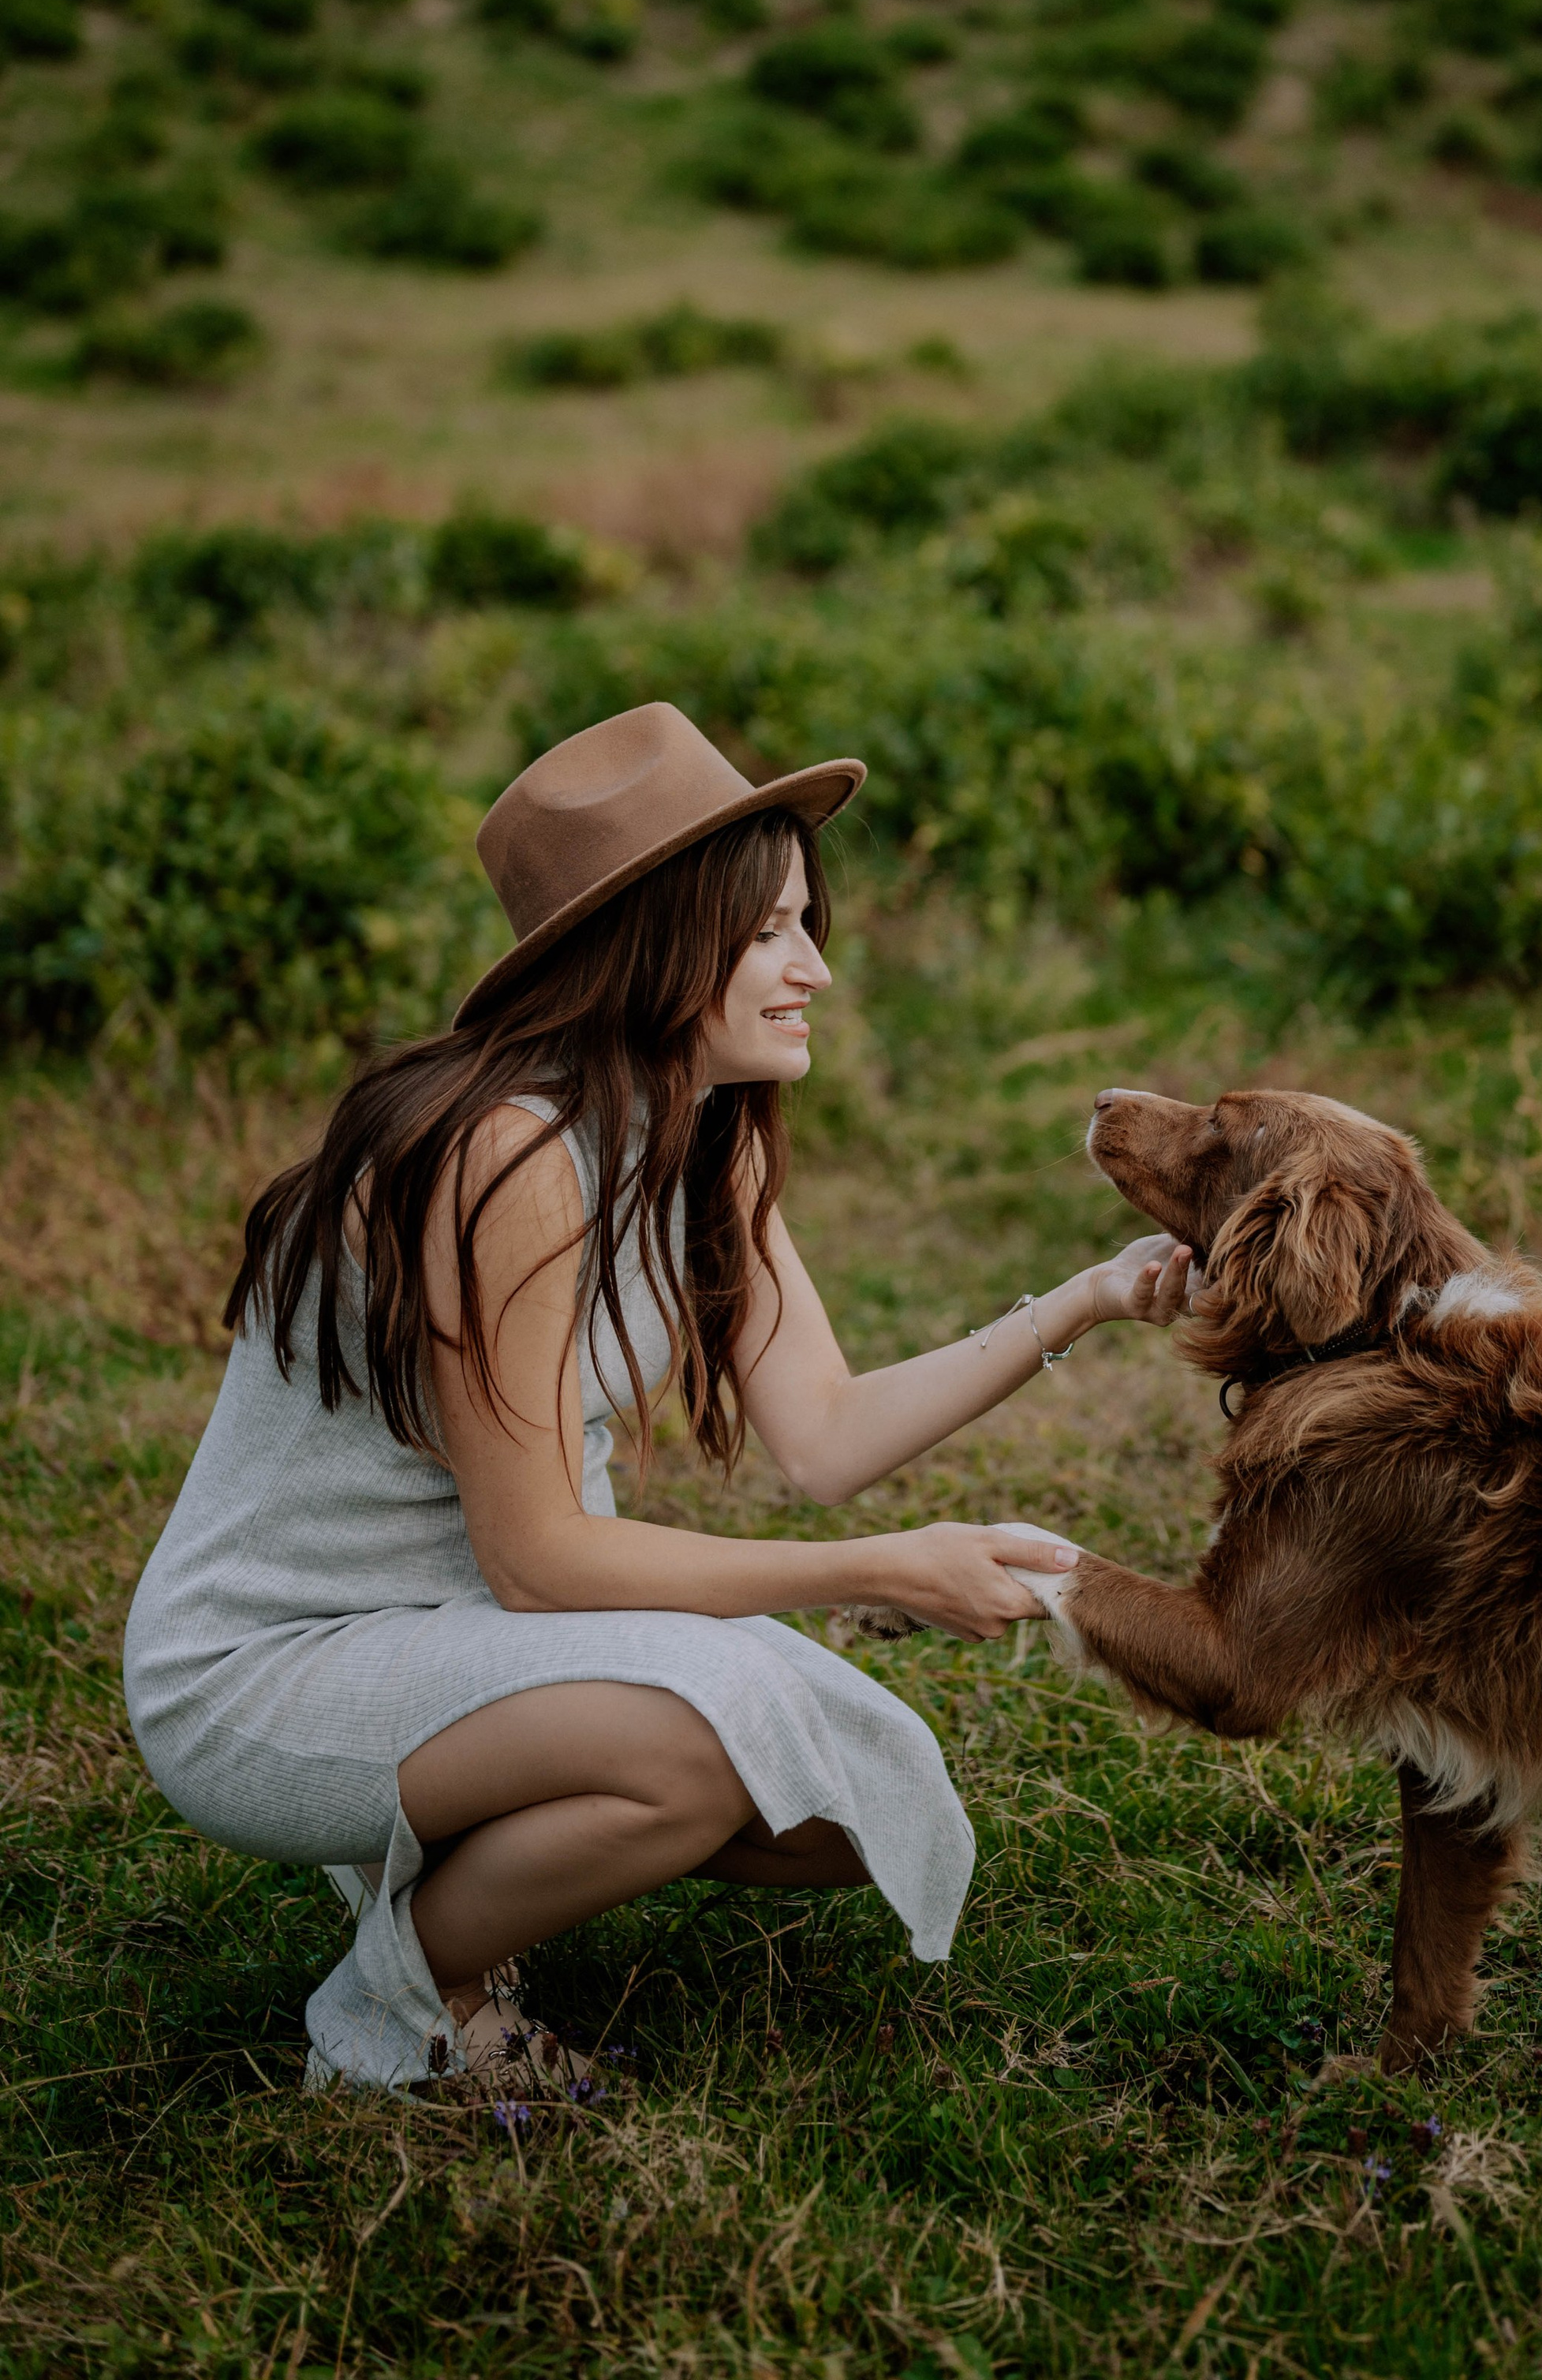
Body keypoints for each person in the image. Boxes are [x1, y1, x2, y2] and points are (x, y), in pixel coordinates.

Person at [123, 702, 1191, 2091]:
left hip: (473, 1626)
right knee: (697, 1756)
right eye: (767, 936)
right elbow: (544, 1555)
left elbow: (827, 1435)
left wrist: (1092, 1297)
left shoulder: (704, 1140)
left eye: (808, 924)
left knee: (841, 1805)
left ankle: (469, 1846)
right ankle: (413, 2008)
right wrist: (884, 1573)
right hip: (275, 1663)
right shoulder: (504, 1156)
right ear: (654, 946)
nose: (813, 968)